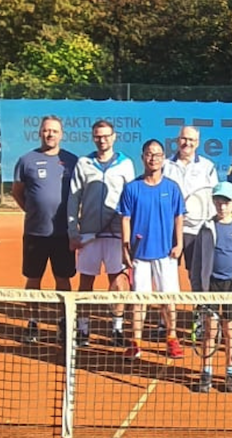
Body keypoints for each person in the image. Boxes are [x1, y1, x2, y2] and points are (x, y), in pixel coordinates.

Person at [66, 120, 136, 347]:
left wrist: (129, 235)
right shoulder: (83, 163)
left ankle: (116, 328)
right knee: (86, 282)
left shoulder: (126, 164)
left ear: (114, 137)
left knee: (117, 282)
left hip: (116, 236)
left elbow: (132, 200)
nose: (102, 139)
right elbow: (73, 198)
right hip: (88, 235)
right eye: (98, 136)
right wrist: (72, 229)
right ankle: (83, 329)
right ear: (93, 137)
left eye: (106, 136)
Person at [11, 115, 78, 344]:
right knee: (33, 279)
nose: (50, 134)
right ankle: (33, 322)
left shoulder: (71, 161)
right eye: (46, 130)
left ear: (61, 134)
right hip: (35, 233)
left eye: (54, 131)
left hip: (63, 234)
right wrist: (32, 211)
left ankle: (64, 322)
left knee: (63, 279)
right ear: (40, 133)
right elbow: (17, 192)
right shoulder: (26, 160)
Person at [117, 139, 186, 360]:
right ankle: (136, 342)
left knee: (168, 298)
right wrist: (125, 248)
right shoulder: (132, 188)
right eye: (149, 154)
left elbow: (179, 217)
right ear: (142, 157)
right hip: (139, 255)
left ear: (164, 158)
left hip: (166, 253)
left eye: (157, 154)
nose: (153, 158)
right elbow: (125, 220)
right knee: (139, 300)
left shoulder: (172, 188)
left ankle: (171, 338)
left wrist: (179, 243)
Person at [189, 181, 232, 394]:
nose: (222, 206)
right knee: (210, 330)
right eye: (218, 201)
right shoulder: (206, 228)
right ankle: (206, 372)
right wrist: (198, 291)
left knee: (229, 330)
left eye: (226, 202)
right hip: (211, 286)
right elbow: (197, 262)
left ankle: (230, 371)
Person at [162, 125, 218, 272]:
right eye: (184, 139)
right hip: (169, 230)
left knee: (196, 276)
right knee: (167, 275)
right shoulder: (165, 165)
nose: (187, 143)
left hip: (196, 230)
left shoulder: (207, 166)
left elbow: (214, 197)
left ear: (198, 142)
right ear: (178, 140)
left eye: (192, 140)